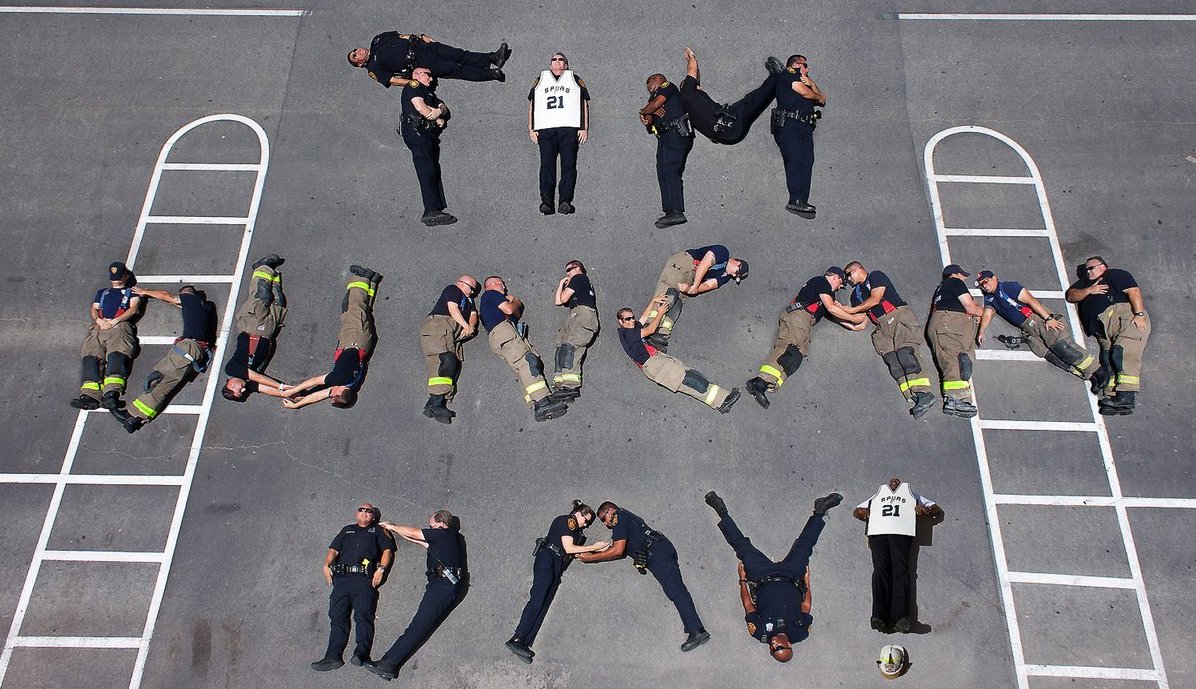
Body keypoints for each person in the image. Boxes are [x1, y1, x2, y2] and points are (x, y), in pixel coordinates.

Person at [703, 490, 842, 662]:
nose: (774, 645)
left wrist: (742, 579)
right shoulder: (800, 633)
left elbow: (748, 605)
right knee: (804, 548)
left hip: (762, 577)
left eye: (773, 650)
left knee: (743, 549)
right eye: (779, 647)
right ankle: (820, 511)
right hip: (792, 576)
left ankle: (721, 512)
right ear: (789, 645)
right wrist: (807, 580)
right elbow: (806, 606)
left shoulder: (760, 633)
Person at [576, 501, 711, 653]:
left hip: (657, 552)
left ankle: (697, 630)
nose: (605, 524)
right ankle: (696, 629)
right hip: (658, 550)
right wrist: (592, 551)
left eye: (603, 518)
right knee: (675, 589)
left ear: (611, 511)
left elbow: (618, 550)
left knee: (675, 590)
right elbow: (616, 548)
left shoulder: (619, 517)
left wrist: (591, 558)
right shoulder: (624, 518)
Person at [363, 510, 468, 681]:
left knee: (418, 626)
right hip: (443, 585)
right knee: (420, 625)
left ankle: (388, 664)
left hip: (442, 586)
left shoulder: (442, 534)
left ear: (441, 524)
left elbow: (414, 532)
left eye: (431, 526)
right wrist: (395, 531)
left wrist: (392, 526)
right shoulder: (446, 539)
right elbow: (417, 539)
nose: (429, 528)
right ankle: (389, 663)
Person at [505, 500, 610, 663]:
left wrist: (598, 551)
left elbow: (574, 553)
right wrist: (594, 547)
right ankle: (517, 638)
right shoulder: (568, 521)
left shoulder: (576, 532)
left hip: (557, 564)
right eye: (586, 520)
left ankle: (523, 642)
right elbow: (569, 548)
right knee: (538, 598)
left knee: (544, 603)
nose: (586, 525)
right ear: (578, 513)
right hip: (548, 558)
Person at [745, 267, 865, 408]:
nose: (839, 288)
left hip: (805, 324)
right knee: (788, 348)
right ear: (835, 277)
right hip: (799, 317)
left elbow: (836, 312)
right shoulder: (821, 282)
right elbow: (832, 308)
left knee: (796, 357)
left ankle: (769, 384)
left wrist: (853, 326)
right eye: (840, 283)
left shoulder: (827, 295)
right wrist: (854, 319)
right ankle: (759, 382)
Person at [108, 286, 216, 433]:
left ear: (184, 295)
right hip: (195, 351)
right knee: (166, 382)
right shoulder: (204, 308)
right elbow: (174, 303)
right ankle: (137, 418)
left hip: (188, 348)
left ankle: (133, 416)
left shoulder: (190, 299)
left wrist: (145, 292)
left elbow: (167, 296)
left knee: (163, 382)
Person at [976, 270, 1106, 389]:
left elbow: (1031, 301)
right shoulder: (989, 298)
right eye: (981, 284)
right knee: (1053, 357)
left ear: (994, 278)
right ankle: (1090, 376)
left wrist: (1048, 318)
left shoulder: (1009, 287)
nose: (984, 285)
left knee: (1063, 348)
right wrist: (981, 331)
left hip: (1037, 319)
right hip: (1027, 329)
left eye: (986, 281)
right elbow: (987, 314)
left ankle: (1098, 370)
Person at [842, 261, 936, 418]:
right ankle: (914, 396)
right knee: (894, 361)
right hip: (882, 326)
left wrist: (852, 310)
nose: (848, 279)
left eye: (848, 274)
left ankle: (924, 393)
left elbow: (876, 298)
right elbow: (861, 320)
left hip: (897, 316)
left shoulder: (876, 276)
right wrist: (838, 312)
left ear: (858, 269)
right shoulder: (856, 295)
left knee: (906, 353)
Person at [283, 266, 382, 410]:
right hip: (354, 339)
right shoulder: (339, 379)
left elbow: (319, 395)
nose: (330, 394)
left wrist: (298, 403)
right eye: (332, 395)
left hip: (359, 344)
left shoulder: (351, 385)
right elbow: (314, 381)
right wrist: (293, 390)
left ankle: (372, 282)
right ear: (340, 392)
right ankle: (363, 277)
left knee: (361, 312)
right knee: (354, 308)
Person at [311, 503, 396, 672]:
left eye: (368, 511)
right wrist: (326, 565)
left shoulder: (378, 531)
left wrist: (381, 569)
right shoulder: (347, 530)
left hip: (364, 580)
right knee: (337, 616)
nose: (364, 512)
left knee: (363, 616)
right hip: (342, 580)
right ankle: (333, 657)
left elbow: (388, 550)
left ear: (373, 516)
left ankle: (361, 654)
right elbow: (333, 550)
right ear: (356, 514)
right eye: (361, 510)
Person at [852, 478, 942, 634]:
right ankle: (879, 616)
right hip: (878, 533)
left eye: (897, 481)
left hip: (901, 533)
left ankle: (901, 617)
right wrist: (862, 512)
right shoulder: (878, 494)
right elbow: (857, 510)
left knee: (900, 571)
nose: (894, 481)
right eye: (892, 481)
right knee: (880, 571)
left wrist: (925, 510)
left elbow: (935, 508)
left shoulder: (910, 493)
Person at [616, 302, 740, 413]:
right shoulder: (627, 334)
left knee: (693, 377)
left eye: (632, 317)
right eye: (628, 319)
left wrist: (654, 301)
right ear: (621, 322)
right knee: (692, 381)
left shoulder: (631, 329)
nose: (632, 320)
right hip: (654, 364)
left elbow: (643, 318)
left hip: (657, 360)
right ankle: (722, 401)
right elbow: (651, 329)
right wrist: (660, 312)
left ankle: (722, 400)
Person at [1066, 256, 1150, 415]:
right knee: (1107, 360)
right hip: (1103, 330)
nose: (1088, 271)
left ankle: (1126, 395)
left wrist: (1139, 314)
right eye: (1086, 269)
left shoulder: (1114, 274)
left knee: (1123, 353)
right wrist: (1089, 290)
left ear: (1103, 266)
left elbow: (1133, 291)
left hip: (1123, 318)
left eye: (1091, 268)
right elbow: (1071, 295)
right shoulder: (1085, 284)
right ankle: (1112, 398)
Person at [478, 276, 569, 421]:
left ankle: (537, 400)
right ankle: (541, 401)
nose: (504, 287)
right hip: (503, 332)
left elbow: (516, 314)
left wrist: (512, 303)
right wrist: (516, 301)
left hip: (506, 333)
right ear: (493, 284)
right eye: (502, 284)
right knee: (527, 362)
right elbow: (510, 309)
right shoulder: (490, 294)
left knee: (524, 366)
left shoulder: (494, 301)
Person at [645, 244, 748, 350]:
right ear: (736, 261)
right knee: (667, 294)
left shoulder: (724, 277)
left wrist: (690, 289)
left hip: (692, 279)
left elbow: (709, 285)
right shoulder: (723, 252)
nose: (734, 275)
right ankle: (648, 325)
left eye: (736, 277)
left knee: (677, 304)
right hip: (685, 264)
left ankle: (660, 334)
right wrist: (694, 286)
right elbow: (705, 264)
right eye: (737, 272)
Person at [72, 261, 141, 411]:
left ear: (126, 276)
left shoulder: (132, 292)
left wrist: (116, 320)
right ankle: (90, 395)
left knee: (117, 355)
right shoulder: (102, 292)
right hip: (100, 325)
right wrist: (98, 320)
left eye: (118, 276)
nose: (115, 280)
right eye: (113, 277)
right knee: (91, 356)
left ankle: (111, 394)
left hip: (119, 326)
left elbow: (133, 309)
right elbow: (94, 308)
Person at [221, 255, 292, 402]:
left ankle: (262, 267)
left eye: (239, 390)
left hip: (252, 327)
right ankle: (272, 274)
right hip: (268, 332)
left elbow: (259, 378)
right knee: (278, 300)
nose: (244, 389)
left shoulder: (232, 370)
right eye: (242, 393)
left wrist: (281, 386)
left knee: (262, 296)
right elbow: (266, 388)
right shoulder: (248, 383)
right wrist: (290, 394)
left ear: (230, 385)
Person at [529, 52, 590, 215]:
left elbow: (583, 103)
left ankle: (565, 201)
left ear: (566, 65)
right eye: (554, 60)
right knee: (546, 165)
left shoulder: (574, 79)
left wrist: (584, 127)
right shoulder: (541, 79)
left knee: (568, 165)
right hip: (546, 129)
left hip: (568, 128)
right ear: (550, 65)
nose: (557, 62)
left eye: (561, 60)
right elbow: (533, 104)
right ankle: (546, 202)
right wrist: (531, 127)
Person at [676, 47, 777, 145]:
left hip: (727, 137)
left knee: (755, 105)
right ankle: (778, 77)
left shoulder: (685, 109)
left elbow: (696, 79)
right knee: (752, 101)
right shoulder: (687, 91)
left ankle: (773, 82)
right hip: (731, 122)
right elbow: (692, 71)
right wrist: (691, 57)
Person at [767, 55, 825, 217]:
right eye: (805, 65)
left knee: (806, 161)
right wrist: (815, 93)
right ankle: (796, 199)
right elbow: (806, 93)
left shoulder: (806, 82)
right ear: (797, 65)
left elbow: (822, 100)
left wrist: (812, 85)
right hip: (790, 124)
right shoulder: (789, 74)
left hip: (805, 128)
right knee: (795, 159)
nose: (808, 69)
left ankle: (800, 201)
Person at [400, 67, 457, 227]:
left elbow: (443, 108)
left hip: (426, 134)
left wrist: (438, 111)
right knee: (425, 169)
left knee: (431, 169)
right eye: (429, 75)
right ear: (417, 74)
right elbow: (421, 107)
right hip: (417, 132)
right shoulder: (414, 85)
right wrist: (435, 114)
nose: (432, 79)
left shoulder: (429, 93)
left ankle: (435, 207)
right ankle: (430, 210)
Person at [420, 275, 479, 423]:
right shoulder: (453, 290)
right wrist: (465, 326)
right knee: (445, 361)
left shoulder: (469, 301)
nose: (472, 292)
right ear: (461, 283)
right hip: (440, 325)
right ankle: (435, 402)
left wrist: (471, 326)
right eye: (471, 288)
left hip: (452, 333)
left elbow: (473, 315)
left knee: (452, 366)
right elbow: (452, 308)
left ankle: (437, 404)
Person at [348, 32, 509, 85]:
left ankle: (493, 58)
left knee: (458, 54)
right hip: (419, 63)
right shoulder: (373, 68)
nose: (357, 52)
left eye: (355, 50)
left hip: (421, 46)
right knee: (455, 68)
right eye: (355, 56)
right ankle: (491, 74)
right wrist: (413, 83)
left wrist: (421, 37)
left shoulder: (377, 39)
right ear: (360, 64)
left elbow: (401, 36)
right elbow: (392, 80)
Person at [928, 264, 984, 417]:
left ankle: (953, 400)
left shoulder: (942, 288)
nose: (964, 278)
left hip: (943, 325)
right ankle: (956, 398)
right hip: (949, 324)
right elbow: (970, 306)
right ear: (954, 274)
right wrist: (982, 312)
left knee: (955, 360)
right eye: (962, 274)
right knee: (956, 360)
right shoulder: (955, 282)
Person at [640, 73, 694, 228]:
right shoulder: (652, 99)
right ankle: (670, 211)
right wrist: (649, 112)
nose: (647, 87)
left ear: (657, 79)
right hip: (664, 137)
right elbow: (648, 123)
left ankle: (677, 211)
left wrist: (644, 111)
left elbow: (656, 105)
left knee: (670, 170)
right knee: (663, 172)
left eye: (648, 82)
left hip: (676, 133)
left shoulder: (667, 87)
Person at [550, 260, 598, 402]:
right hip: (574, 315)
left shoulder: (579, 278)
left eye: (569, 270)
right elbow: (558, 302)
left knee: (571, 348)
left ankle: (571, 386)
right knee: (562, 348)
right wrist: (561, 284)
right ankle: (561, 384)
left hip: (583, 314)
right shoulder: (578, 281)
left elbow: (563, 298)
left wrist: (564, 284)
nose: (567, 274)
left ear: (578, 268)